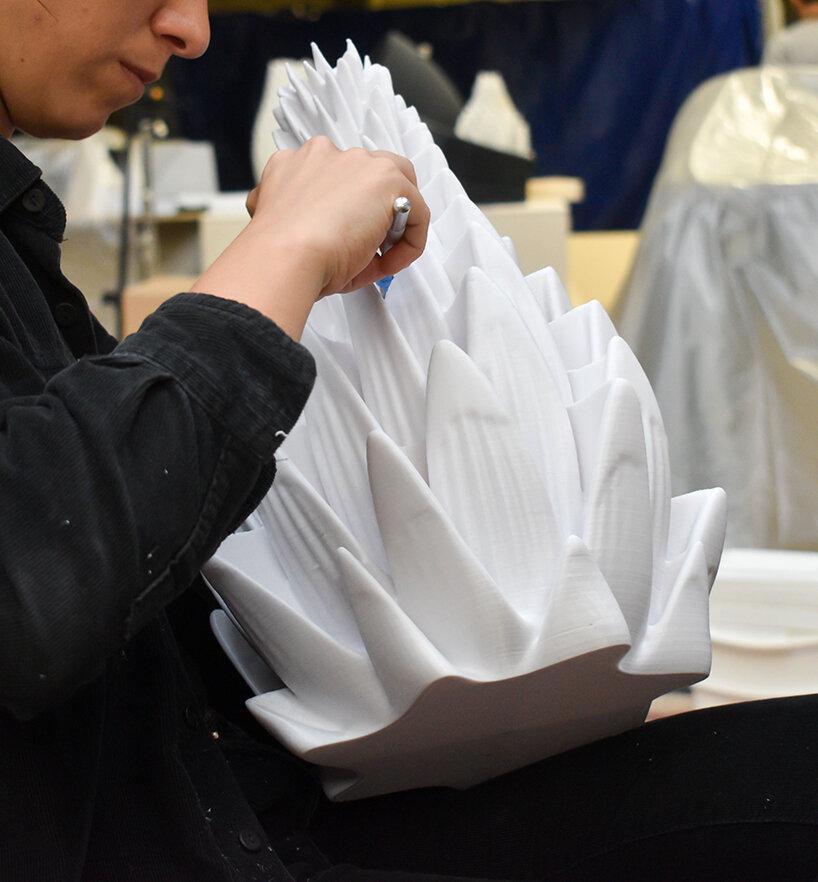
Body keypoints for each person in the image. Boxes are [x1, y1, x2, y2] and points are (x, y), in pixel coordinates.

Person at [2, 2, 818, 880]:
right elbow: (31, 575)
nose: (191, 30)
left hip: (277, 813)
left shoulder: (23, 253)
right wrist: (283, 254)